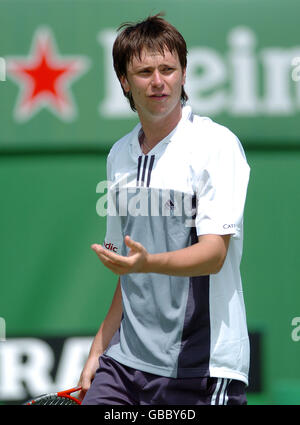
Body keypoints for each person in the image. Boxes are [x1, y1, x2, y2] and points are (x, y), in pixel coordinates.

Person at [79, 14, 250, 405]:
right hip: (124, 366)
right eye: (144, 72)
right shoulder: (119, 155)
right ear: (124, 81)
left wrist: (146, 263)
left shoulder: (216, 145)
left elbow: (213, 255)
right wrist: (98, 349)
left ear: (184, 74)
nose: (158, 81)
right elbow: (128, 271)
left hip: (201, 369)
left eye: (168, 69)